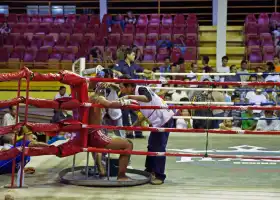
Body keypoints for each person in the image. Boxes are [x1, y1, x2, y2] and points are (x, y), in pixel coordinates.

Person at [57, 90, 134, 181]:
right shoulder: (98, 98)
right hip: (95, 134)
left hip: (83, 136)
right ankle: (121, 176)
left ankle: (99, 158)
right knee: (128, 144)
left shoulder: (83, 100)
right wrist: (126, 102)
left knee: (100, 140)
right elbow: (109, 104)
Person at [119, 75, 175, 185]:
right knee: (151, 146)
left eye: (122, 87)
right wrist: (134, 126)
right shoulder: (137, 94)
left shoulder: (140, 89)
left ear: (129, 86)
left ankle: (159, 176)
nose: (121, 90)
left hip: (164, 120)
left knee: (159, 147)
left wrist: (128, 97)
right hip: (158, 121)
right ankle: (150, 170)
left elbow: (148, 98)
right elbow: (145, 113)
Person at [98, 68, 126, 138]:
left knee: (121, 136)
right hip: (104, 114)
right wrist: (99, 87)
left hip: (115, 113)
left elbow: (119, 88)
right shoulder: (99, 83)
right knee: (104, 136)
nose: (105, 78)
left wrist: (110, 84)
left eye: (107, 76)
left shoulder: (115, 81)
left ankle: (124, 147)